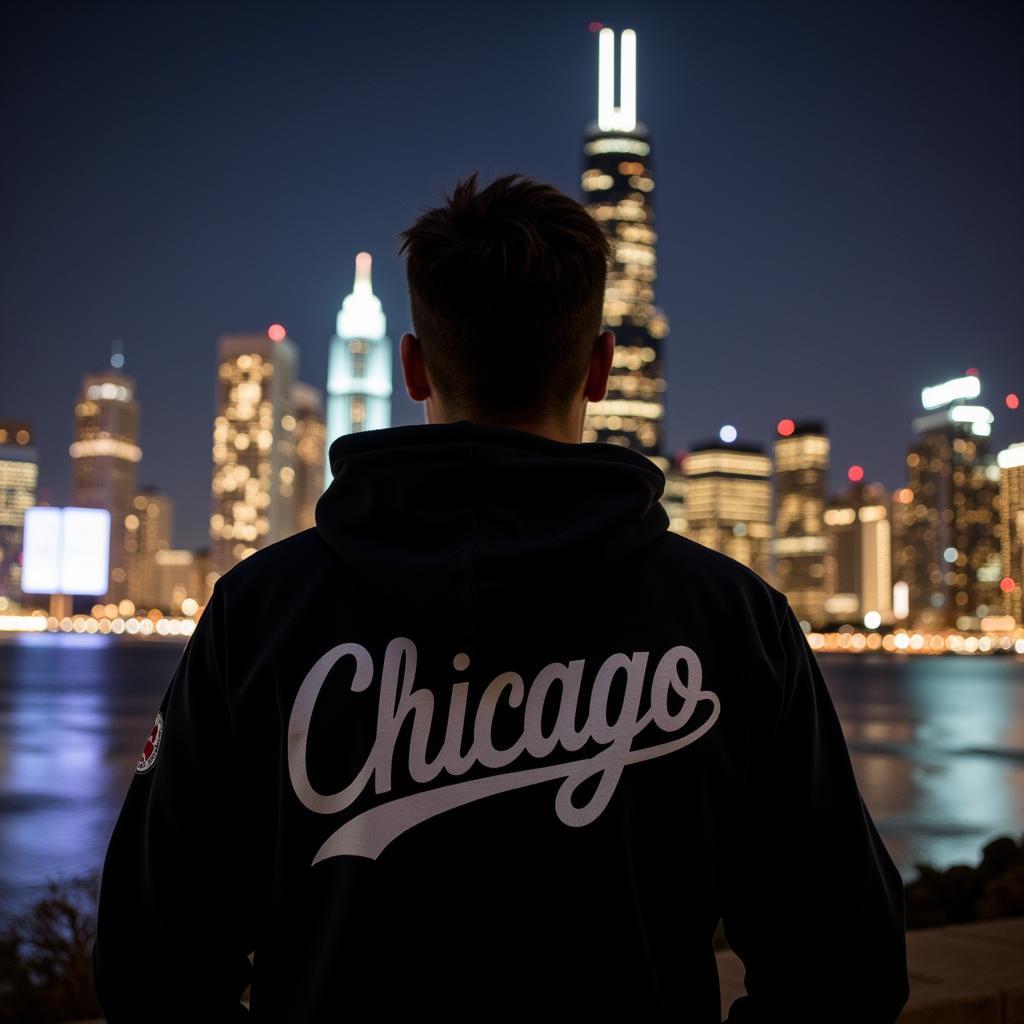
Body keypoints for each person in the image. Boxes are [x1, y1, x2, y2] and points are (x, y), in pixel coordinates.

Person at [93, 173, 910, 1022]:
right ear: (599, 367)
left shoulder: (257, 613)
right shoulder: (734, 621)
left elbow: (152, 961)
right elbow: (845, 965)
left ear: (413, 365)